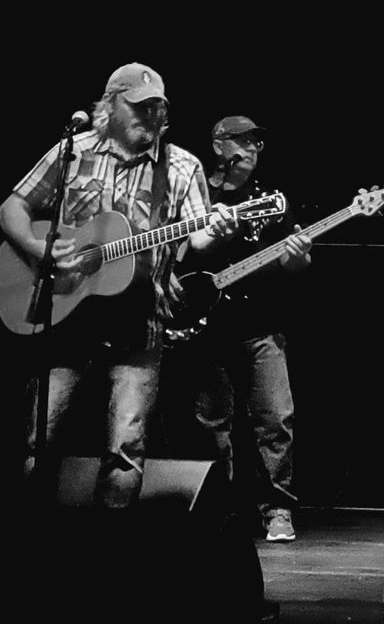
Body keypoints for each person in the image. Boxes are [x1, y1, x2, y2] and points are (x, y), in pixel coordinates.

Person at [2, 62, 237, 508]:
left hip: (138, 327)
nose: (150, 116)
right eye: (139, 106)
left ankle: (112, 545)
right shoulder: (73, 152)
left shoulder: (181, 166)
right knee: (38, 440)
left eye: (157, 107)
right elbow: (12, 208)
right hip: (67, 320)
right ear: (110, 105)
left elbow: (198, 238)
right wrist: (38, 249)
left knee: (126, 451)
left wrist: (220, 231)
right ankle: (29, 536)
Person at [162, 115, 311, 542]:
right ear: (218, 146)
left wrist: (299, 256)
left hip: (262, 323)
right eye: (241, 141)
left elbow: (295, 265)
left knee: (275, 419)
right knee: (211, 424)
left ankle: (278, 509)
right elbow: (174, 248)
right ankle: (219, 509)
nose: (251, 149)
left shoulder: (270, 200)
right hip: (205, 326)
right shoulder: (196, 193)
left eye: (256, 143)